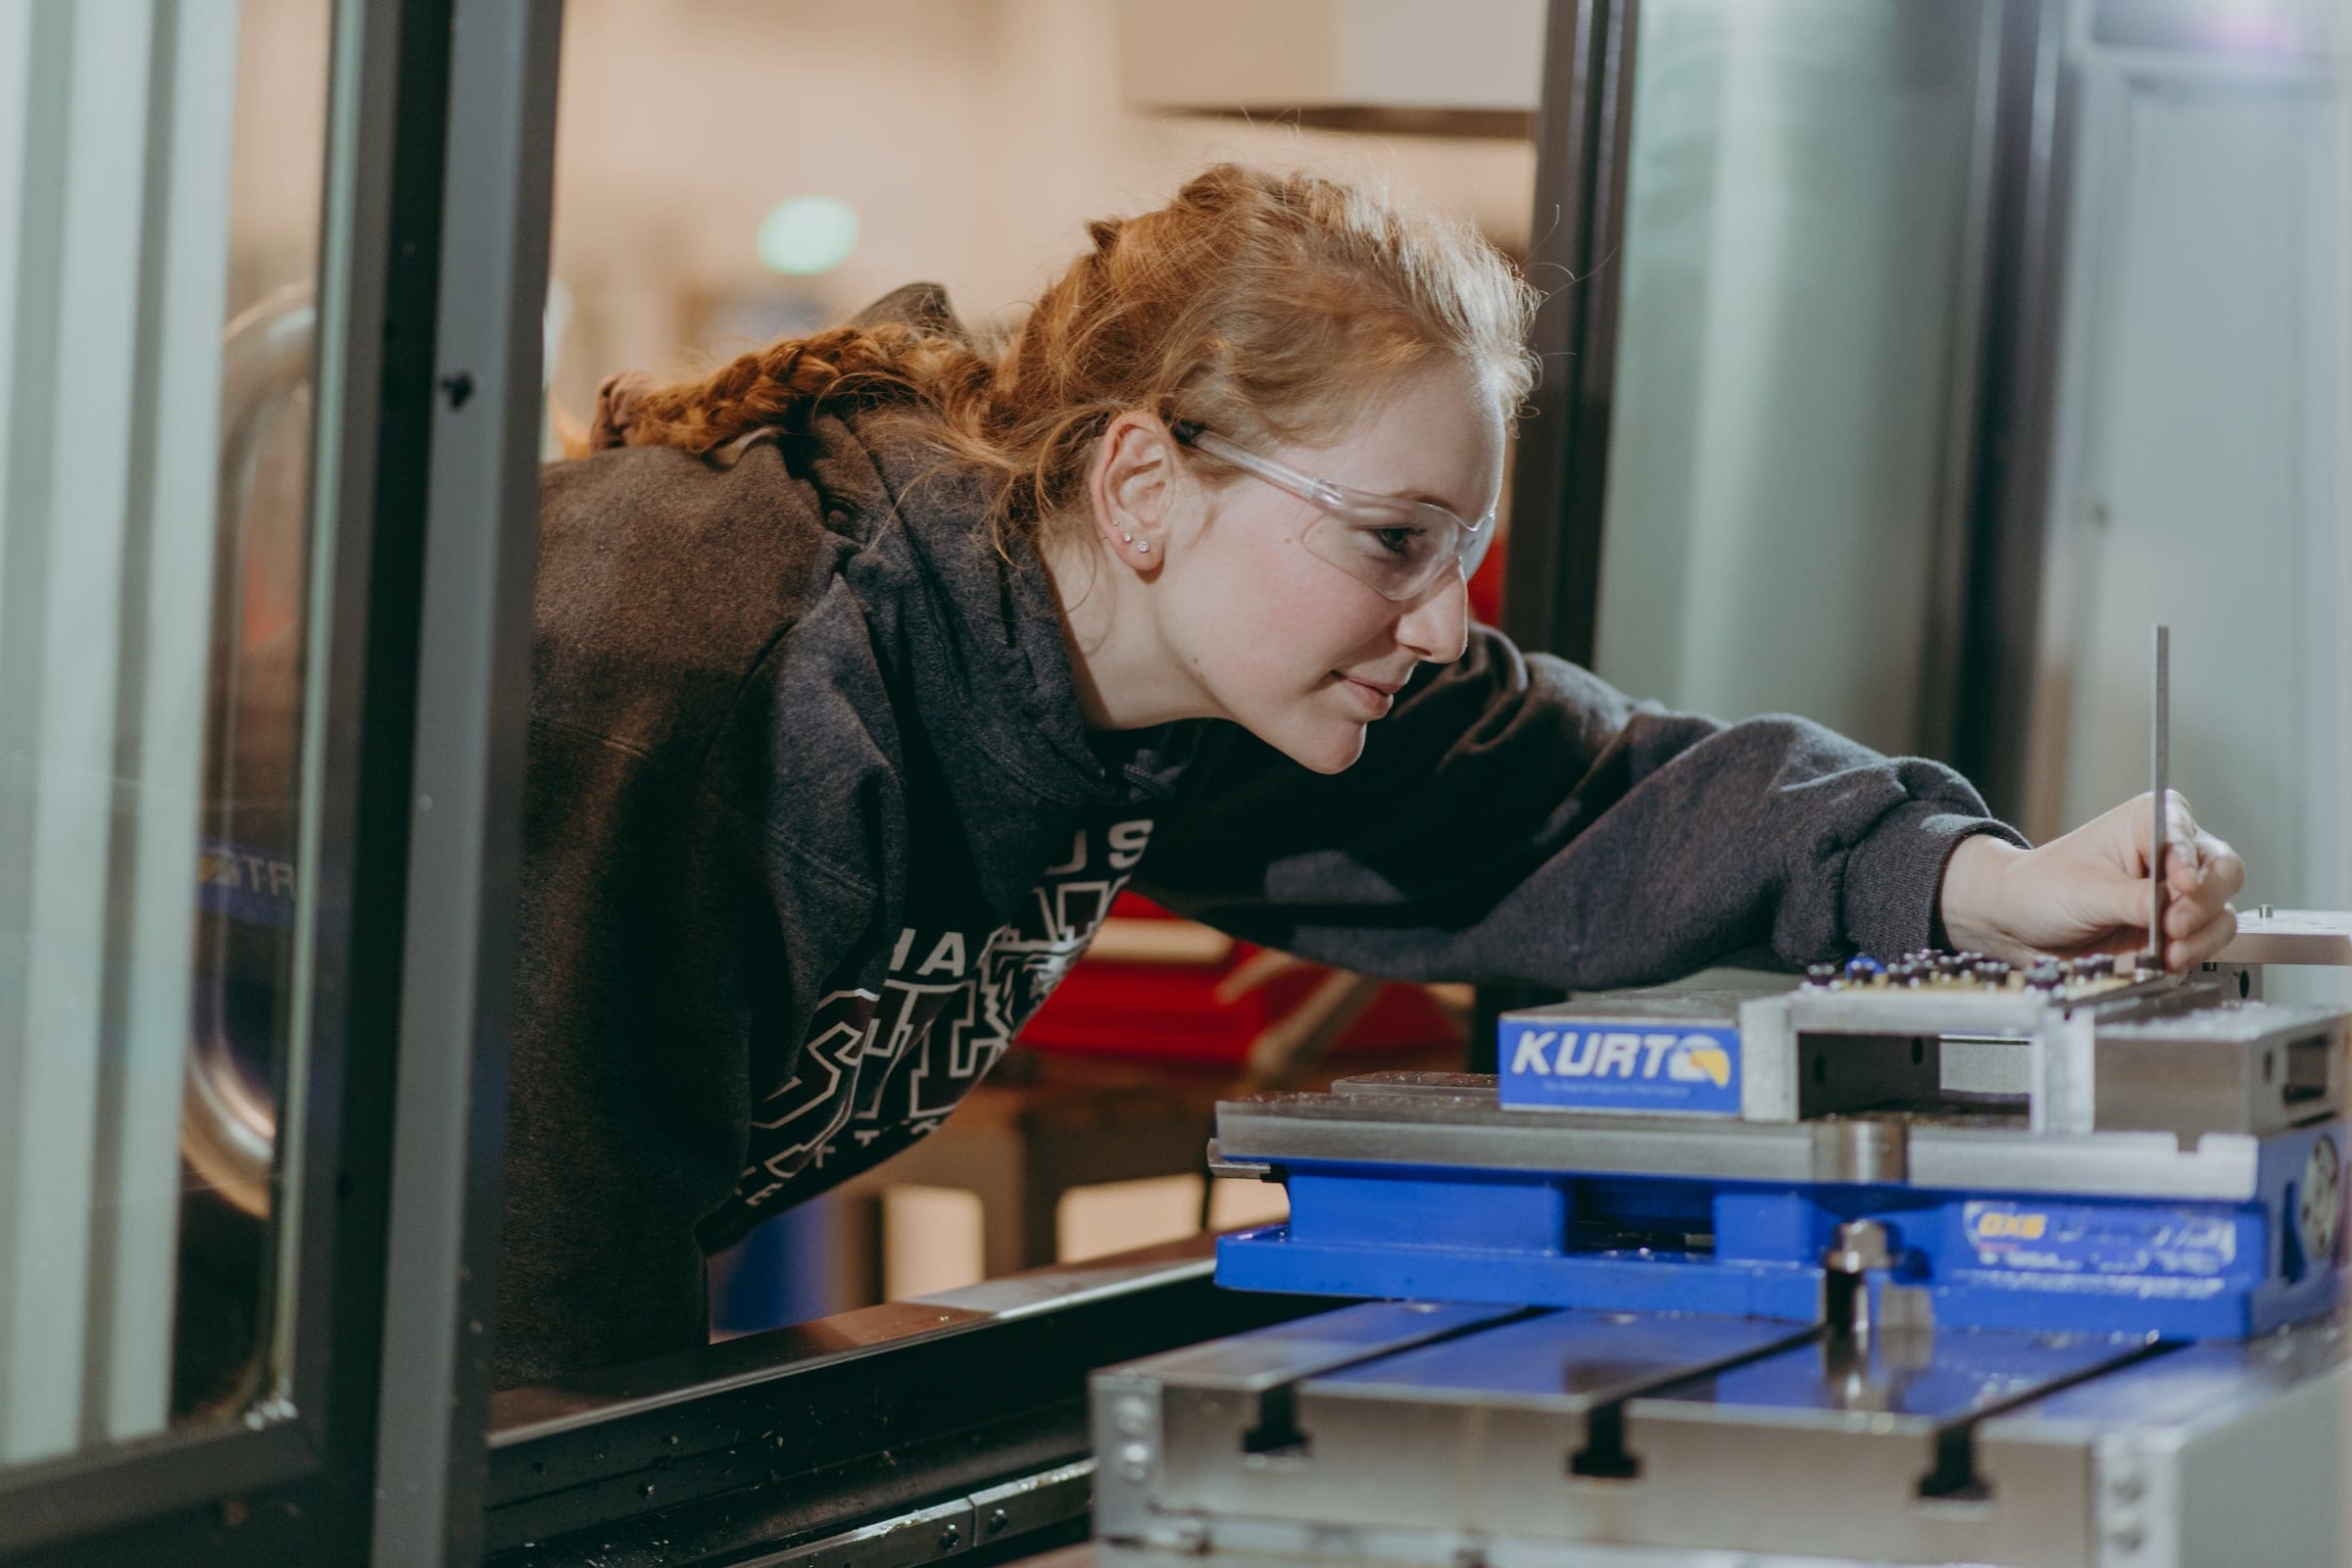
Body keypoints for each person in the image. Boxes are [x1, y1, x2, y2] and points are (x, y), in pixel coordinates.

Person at [500, 164, 2242, 1388]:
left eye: (1461, 552)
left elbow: (1575, 801)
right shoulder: (720, 676)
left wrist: (1991, 886)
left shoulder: (1164, 681)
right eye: (1396, 543)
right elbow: (517, 1323)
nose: (1438, 623)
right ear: (1140, 481)